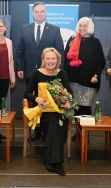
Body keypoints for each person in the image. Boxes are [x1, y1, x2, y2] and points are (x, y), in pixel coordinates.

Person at [16, 2, 64, 141]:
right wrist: (19, 67)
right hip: (30, 71)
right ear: (32, 14)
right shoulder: (25, 29)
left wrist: (59, 71)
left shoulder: (54, 29)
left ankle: (47, 130)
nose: (39, 14)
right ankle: (37, 129)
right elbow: (19, 50)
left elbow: (60, 51)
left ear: (46, 13)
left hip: (49, 73)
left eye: (42, 11)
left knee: (48, 100)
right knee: (35, 100)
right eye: (36, 12)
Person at [24, 47, 72, 176]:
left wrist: (62, 97)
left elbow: (70, 94)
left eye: (53, 58)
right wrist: (36, 98)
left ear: (58, 60)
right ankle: (58, 163)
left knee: (58, 122)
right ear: (43, 60)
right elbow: (27, 93)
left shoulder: (62, 73)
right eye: (48, 58)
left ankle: (50, 159)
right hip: (44, 111)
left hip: (60, 110)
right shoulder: (36, 73)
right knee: (53, 121)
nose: (51, 61)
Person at [64, 17, 106, 141]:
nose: (82, 28)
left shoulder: (95, 42)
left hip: (89, 81)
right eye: (80, 25)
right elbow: (66, 61)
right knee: (76, 107)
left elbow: (101, 62)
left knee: (85, 108)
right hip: (72, 80)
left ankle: (84, 134)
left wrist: (96, 75)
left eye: (85, 26)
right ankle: (77, 133)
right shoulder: (72, 40)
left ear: (90, 27)